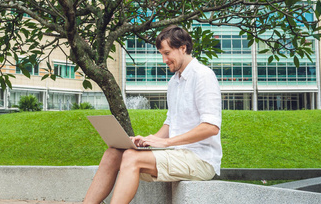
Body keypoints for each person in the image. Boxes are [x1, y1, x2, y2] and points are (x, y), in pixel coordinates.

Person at [83, 25, 222, 204]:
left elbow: (211, 127)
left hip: (201, 160)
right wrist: (148, 140)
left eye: (167, 53)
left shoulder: (203, 76)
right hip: (175, 154)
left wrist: (167, 142)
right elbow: (171, 123)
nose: (164, 60)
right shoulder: (174, 82)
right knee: (113, 153)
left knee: (132, 157)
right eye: (161, 54)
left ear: (183, 48)